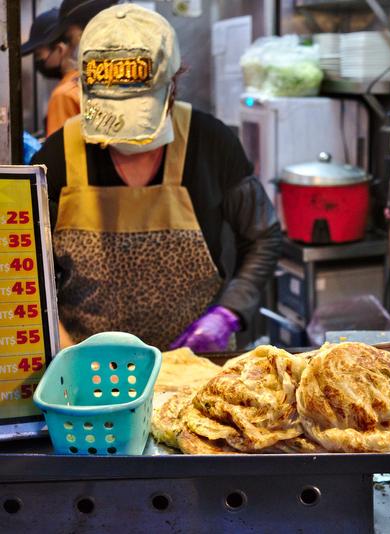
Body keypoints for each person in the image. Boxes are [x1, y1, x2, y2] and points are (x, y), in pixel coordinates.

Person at [32, 4, 281, 352]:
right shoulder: (59, 155)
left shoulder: (210, 142)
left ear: (172, 83)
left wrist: (228, 312)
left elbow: (263, 237)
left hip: (194, 364)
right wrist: (61, 345)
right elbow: (27, 264)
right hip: (91, 369)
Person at [21, 8, 80, 136]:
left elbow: (59, 152)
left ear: (60, 49)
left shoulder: (63, 95)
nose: (37, 62)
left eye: (38, 55)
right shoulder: (86, 82)